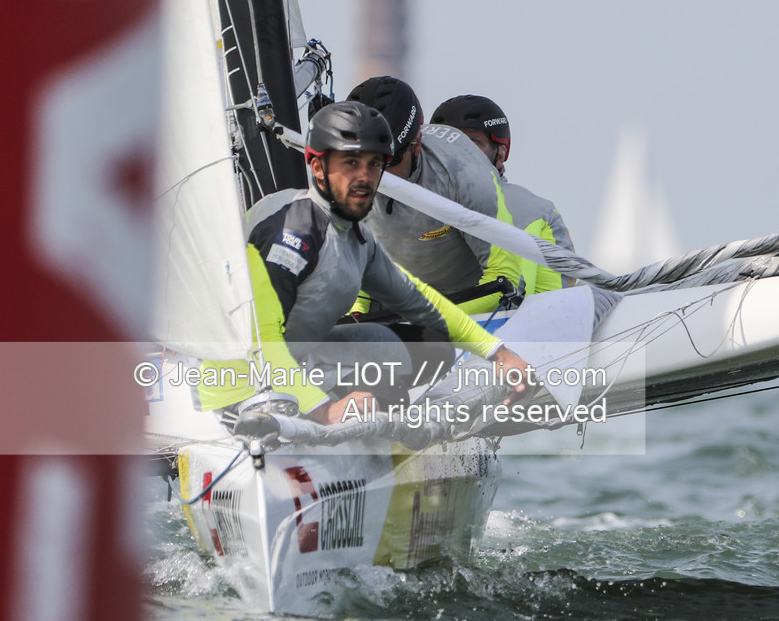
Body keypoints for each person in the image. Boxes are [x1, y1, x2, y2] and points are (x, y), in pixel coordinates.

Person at [197, 100, 528, 424]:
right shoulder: (293, 235)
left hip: (302, 359)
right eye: (351, 163)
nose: (365, 177)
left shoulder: (356, 237)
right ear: (317, 167)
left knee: (432, 350)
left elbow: (420, 302)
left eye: (374, 164)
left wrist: (498, 353)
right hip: (244, 392)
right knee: (385, 394)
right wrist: (325, 409)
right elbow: (260, 340)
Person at [348, 77, 528, 315]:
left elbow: (504, 278)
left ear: (417, 143)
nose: (375, 175)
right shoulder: (341, 175)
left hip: (474, 302)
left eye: (388, 161)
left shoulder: (466, 176)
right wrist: (353, 314)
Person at [431, 94, 576, 293]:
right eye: (447, 145)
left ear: (500, 154)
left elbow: (555, 305)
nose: (457, 155)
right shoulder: (394, 204)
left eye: (471, 144)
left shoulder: (539, 213)